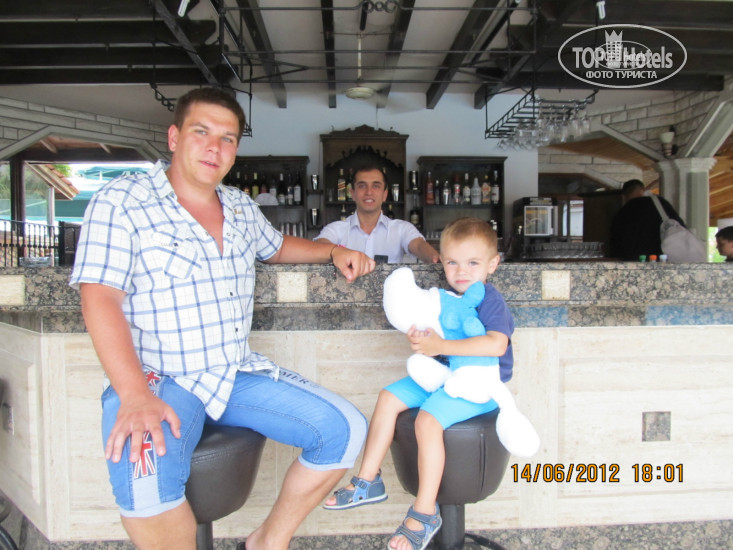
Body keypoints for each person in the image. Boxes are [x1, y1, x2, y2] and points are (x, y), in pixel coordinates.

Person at [69, 87, 376, 550]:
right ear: (174, 137)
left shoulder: (238, 205)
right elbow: (100, 299)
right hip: (158, 377)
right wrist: (133, 395)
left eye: (227, 138)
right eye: (202, 132)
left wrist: (333, 250)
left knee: (345, 429)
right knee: (147, 491)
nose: (214, 147)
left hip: (233, 372)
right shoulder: (123, 200)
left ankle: (267, 542)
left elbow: (277, 248)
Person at [323, 217, 514, 550]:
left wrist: (441, 345)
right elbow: (438, 343)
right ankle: (368, 480)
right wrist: (424, 341)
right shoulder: (444, 299)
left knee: (427, 422)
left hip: (478, 386)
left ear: (492, 264)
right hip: (445, 377)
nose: (461, 271)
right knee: (388, 397)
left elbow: (496, 345)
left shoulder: (489, 299)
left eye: (472, 263)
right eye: (452, 263)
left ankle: (425, 513)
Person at [314, 165, 440, 264]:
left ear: (385, 194)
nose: (369, 192)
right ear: (352, 193)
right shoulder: (335, 229)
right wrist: (337, 251)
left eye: (376, 186)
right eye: (362, 186)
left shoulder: (402, 229)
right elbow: (319, 247)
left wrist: (435, 259)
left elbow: (418, 245)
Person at [609, 178, 686, 260]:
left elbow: (616, 242)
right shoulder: (660, 203)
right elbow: (680, 226)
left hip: (634, 261)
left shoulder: (623, 212)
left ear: (623, 196)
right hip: (663, 259)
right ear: (642, 191)